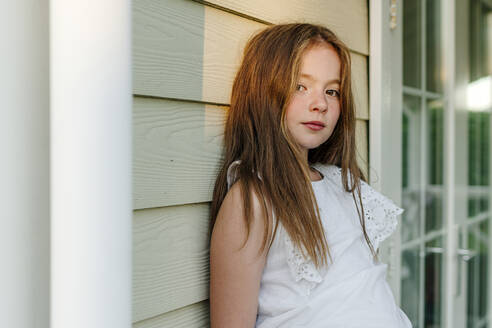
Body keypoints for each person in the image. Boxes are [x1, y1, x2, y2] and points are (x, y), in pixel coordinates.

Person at [208, 23, 412, 328]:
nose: (321, 104)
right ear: (264, 91)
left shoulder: (342, 184)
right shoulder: (254, 199)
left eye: (332, 91)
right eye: (300, 86)